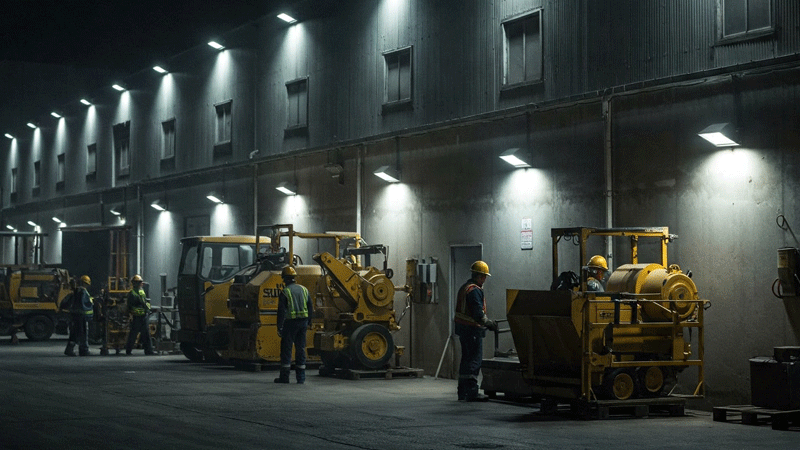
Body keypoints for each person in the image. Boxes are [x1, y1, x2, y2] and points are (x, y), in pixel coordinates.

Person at [454, 260, 498, 402]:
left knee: (465, 360)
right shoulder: (475, 291)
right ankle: (472, 392)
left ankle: (462, 392)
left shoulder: (464, 287)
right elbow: (478, 315)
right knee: (474, 361)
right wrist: (489, 323)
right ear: (480, 276)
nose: (485, 279)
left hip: (463, 329)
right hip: (472, 330)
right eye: (484, 276)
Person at [274, 266, 312, 384]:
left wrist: (279, 326)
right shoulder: (304, 290)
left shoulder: (286, 292)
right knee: (300, 349)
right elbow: (310, 307)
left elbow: (281, 311)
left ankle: (284, 377)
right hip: (303, 323)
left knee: (287, 349)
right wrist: (309, 322)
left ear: (284, 279)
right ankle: (301, 378)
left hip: (290, 323)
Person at [62, 275, 94, 356]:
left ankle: (69, 349)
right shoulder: (82, 292)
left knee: (74, 333)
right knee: (82, 333)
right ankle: (84, 350)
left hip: (76, 316)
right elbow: (84, 305)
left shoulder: (77, 291)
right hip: (81, 317)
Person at [125, 274, 154, 355]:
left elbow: (145, 302)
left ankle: (149, 351)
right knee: (133, 335)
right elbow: (130, 306)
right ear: (134, 283)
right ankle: (129, 351)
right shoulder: (132, 293)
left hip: (143, 316)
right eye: (138, 282)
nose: (140, 284)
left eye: (140, 282)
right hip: (137, 317)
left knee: (146, 335)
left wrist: (148, 309)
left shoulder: (141, 292)